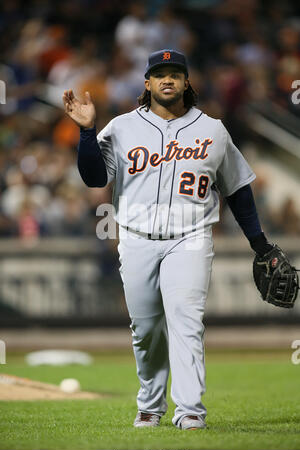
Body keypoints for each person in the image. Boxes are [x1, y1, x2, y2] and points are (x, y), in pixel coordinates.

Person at [62, 49, 277, 430]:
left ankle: (190, 410)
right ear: (147, 83)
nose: (167, 80)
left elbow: (239, 191)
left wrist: (259, 244)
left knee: (186, 319)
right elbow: (95, 179)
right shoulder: (123, 126)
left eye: (175, 74)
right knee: (145, 329)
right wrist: (86, 131)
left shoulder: (212, 130)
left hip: (191, 237)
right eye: (159, 74)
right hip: (136, 237)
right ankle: (150, 404)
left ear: (186, 82)